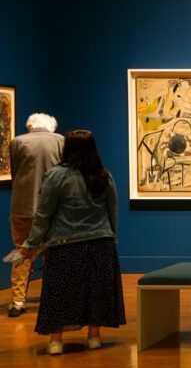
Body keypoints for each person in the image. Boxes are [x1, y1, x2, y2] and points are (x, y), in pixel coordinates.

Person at [18, 130, 125, 354]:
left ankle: (56, 341)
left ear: (66, 148)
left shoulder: (56, 176)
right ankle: (94, 337)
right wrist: (111, 236)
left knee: (60, 294)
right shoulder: (103, 176)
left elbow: (44, 214)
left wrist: (31, 243)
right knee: (95, 292)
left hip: (64, 244)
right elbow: (112, 211)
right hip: (101, 242)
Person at [7, 113, 64, 317]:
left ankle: (18, 301)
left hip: (22, 207)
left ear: (30, 126)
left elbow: (15, 174)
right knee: (54, 254)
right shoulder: (60, 141)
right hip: (53, 209)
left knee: (22, 253)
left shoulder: (17, 142)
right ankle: (53, 299)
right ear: (51, 127)